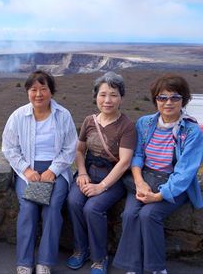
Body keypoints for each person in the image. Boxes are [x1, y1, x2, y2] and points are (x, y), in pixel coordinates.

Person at [113, 74, 203, 274]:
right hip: (144, 179)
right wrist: (139, 182)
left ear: (184, 100)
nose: (168, 102)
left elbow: (184, 172)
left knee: (149, 215)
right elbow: (137, 155)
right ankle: (132, 267)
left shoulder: (191, 131)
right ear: (155, 99)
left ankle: (156, 268)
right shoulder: (145, 123)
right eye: (162, 97)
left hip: (172, 184)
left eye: (175, 97)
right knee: (129, 214)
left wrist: (158, 196)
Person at [2, 70, 78, 274]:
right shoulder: (18, 116)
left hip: (57, 170)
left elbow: (70, 148)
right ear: (28, 92)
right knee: (28, 208)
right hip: (28, 171)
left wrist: (53, 170)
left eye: (43, 89)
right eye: (34, 89)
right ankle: (24, 263)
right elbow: (9, 148)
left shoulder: (63, 115)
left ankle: (45, 262)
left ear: (51, 92)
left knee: (53, 208)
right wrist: (27, 170)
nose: (38, 94)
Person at [65, 72, 136, 274]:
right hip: (88, 172)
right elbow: (79, 151)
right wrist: (81, 173)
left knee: (92, 208)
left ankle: (99, 257)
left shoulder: (127, 126)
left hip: (112, 180)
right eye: (103, 94)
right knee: (74, 201)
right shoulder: (89, 121)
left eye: (113, 95)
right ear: (96, 96)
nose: (107, 100)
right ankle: (81, 249)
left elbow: (124, 162)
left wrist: (101, 186)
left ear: (121, 97)